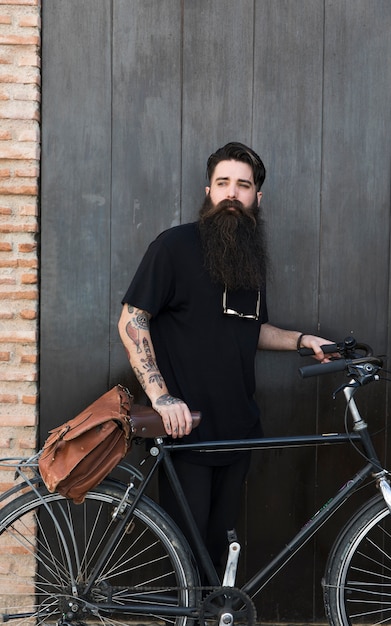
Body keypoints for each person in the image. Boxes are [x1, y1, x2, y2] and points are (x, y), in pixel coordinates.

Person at [118, 141, 334, 573]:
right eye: (223, 183)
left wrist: (301, 340)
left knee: (217, 555)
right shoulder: (173, 247)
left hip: (238, 432)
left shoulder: (249, 259)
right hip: (187, 429)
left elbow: (251, 330)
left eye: (243, 185)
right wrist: (162, 398)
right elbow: (132, 320)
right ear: (208, 191)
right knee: (185, 561)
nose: (232, 193)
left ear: (257, 196)